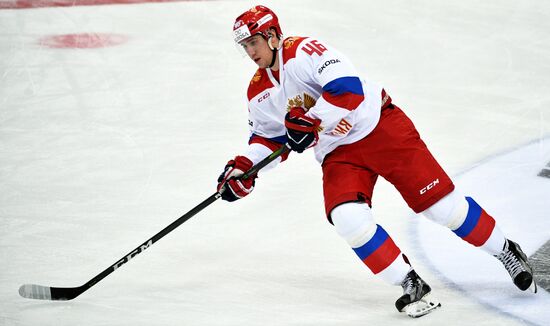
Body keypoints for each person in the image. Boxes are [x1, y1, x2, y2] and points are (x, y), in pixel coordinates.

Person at [216, 5, 537, 318]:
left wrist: (312, 120)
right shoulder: (258, 91)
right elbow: (267, 139)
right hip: (339, 153)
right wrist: (245, 168)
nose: (250, 52)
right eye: (245, 46)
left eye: (253, 42)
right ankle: (409, 281)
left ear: (272, 36)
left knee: (441, 208)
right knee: (347, 218)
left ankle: (506, 249)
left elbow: (348, 89)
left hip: (378, 127)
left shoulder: (303, 51)